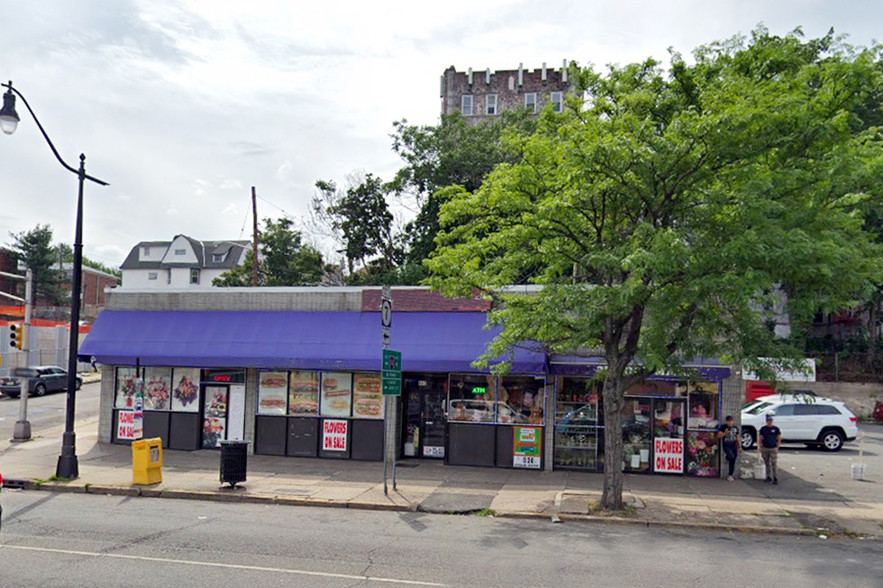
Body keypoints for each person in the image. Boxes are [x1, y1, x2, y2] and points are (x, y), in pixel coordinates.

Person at [758, 413, 782, 485]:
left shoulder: (776, 429)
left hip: (773, 447)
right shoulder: (763, 429)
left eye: (770, 421)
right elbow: (760, 438)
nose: (769, 422)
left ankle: (775, 477)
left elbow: (779, 438)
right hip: (765, 447)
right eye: (768, 421)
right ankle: (768, 476)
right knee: (767, 463)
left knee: (774, 463)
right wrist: (760, 446)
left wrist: (777, 447)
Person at [718, 415, 740, 481]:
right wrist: (725, 433)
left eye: (731, 421)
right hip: (726, 444)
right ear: (727, 422)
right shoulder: (723, 427)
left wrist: (740, 447)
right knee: (731, 456)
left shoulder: (735, 428)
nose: (730, 423)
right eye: (729, 421)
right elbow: (718, 436)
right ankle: (727, 457)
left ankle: (730, 474)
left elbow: (737, 437)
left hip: (734, 445)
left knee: (733, 459)